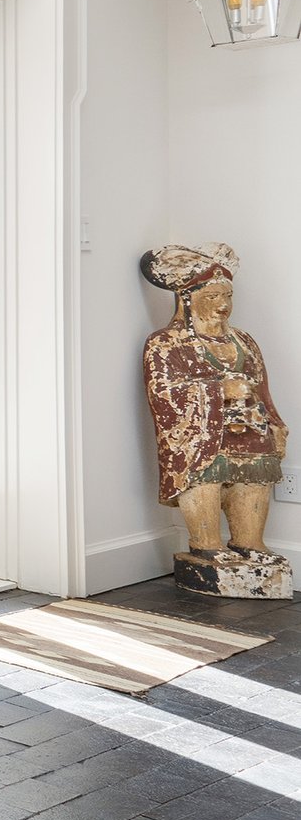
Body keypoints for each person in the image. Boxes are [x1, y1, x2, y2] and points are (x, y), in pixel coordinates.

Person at [143, 244, 291, 599]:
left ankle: (249, 541)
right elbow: (162, 393)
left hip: (250, 427)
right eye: (212, 296)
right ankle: (206, 544)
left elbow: (262, 387)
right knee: (205, 478)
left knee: (254, 481)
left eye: (227, 295)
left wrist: (275, 423)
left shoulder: (244, 340)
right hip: (199, 434)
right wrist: (219, 389)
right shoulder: (165, 343)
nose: (223, 304)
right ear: (188, 300)